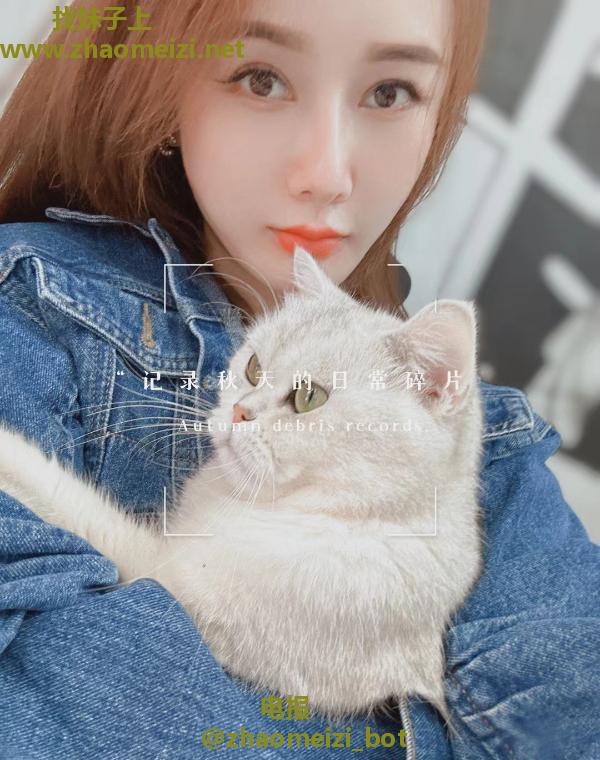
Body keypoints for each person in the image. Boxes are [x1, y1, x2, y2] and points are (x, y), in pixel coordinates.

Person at [0, 1, 598, 758]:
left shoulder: (501, 462)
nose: (326, 174)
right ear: (160, 82)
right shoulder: (34, 304)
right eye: (261, 78)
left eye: (389, 93)